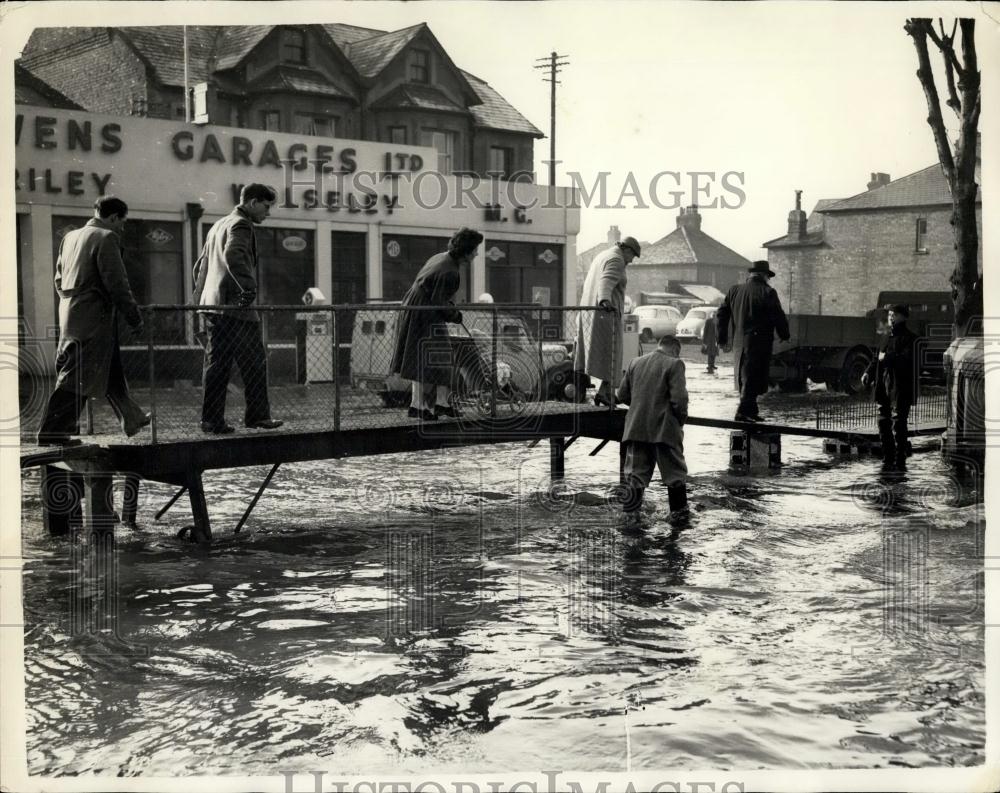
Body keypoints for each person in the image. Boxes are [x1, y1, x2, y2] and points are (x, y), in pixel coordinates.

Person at [36, 196, 150, 447]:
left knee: (106, 367)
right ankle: (51, 433)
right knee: (78, 375)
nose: (122, 227)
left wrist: (74, 299)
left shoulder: (70, 237)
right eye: (122, 222)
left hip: (71, 313)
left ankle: (131, 418)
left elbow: (58, 279)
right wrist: (134, 318)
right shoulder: (107, 238)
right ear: (113, 217)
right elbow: (118, 284)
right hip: (94, 318)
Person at [193, 183, 283, 434]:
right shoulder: (242, 225)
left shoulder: (218, 225)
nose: (268, 212)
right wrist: (249, 290)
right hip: (236, 307)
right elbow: (234, 255)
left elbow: (200, 267)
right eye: (266, 206)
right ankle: (257, 416)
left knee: (216, 364)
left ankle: (211, 420)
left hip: (214, 306)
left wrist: (199, 301)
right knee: (254, 361)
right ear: (253, 202)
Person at [390, 227, 484, 420]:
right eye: (474, 249)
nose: (476, 253)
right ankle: (436, 405)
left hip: (414, 309)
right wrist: (455, 315)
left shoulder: (439, 257)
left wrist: (449, 310)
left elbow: (435, 294)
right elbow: (439, 301)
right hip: (425, 314)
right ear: (466, 251)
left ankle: (422, 406)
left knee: (423, 359)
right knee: (441, 359)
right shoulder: (451, 272)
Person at [616, 335, 689, 521]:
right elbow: (679, 401)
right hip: (664, 431)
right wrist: (680, 421)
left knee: (635, 478)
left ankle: (630, 520)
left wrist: (641, 405)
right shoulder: (675, 364)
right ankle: (679, 522)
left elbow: (622, 395)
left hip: (636, 429)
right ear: (675, 349)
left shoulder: (635, 362)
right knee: (675, 477)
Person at [716, 260, 790, 422]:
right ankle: (743, 412)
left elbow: (721, 314)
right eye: (767, 277)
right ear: (764, 276)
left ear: (751, 275)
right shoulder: (767, 292)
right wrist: (784, 334)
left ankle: (751, 411)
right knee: (752, 377)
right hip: (759, 342)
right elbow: (778, 315)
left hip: (739, 342)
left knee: (745, 376)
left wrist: (722, 338)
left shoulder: (734, 290)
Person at [575, 236, 641, 406]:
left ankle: (604, 392)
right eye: (632, 257)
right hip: (605, 314)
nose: (631, 261)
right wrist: (605, 301)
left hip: (591, 312)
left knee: (601, 353)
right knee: (613, 353)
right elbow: (606, 281)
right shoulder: (617, 259)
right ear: (627, 250)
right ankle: (605, 393)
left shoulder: (603, 255)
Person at [861, 304, 918, 471]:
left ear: (903, 317)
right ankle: (888, 457)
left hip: (901, 386)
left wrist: (887, 357)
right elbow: (875, 358)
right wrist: (867, 373)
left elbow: (907, 361)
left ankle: (900, 459)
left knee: (899, 423)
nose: (891, 317)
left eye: (895, 315)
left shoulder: (911, 339)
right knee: (883, 421)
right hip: (883, 384)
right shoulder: (886, 336)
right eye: (890, 315)